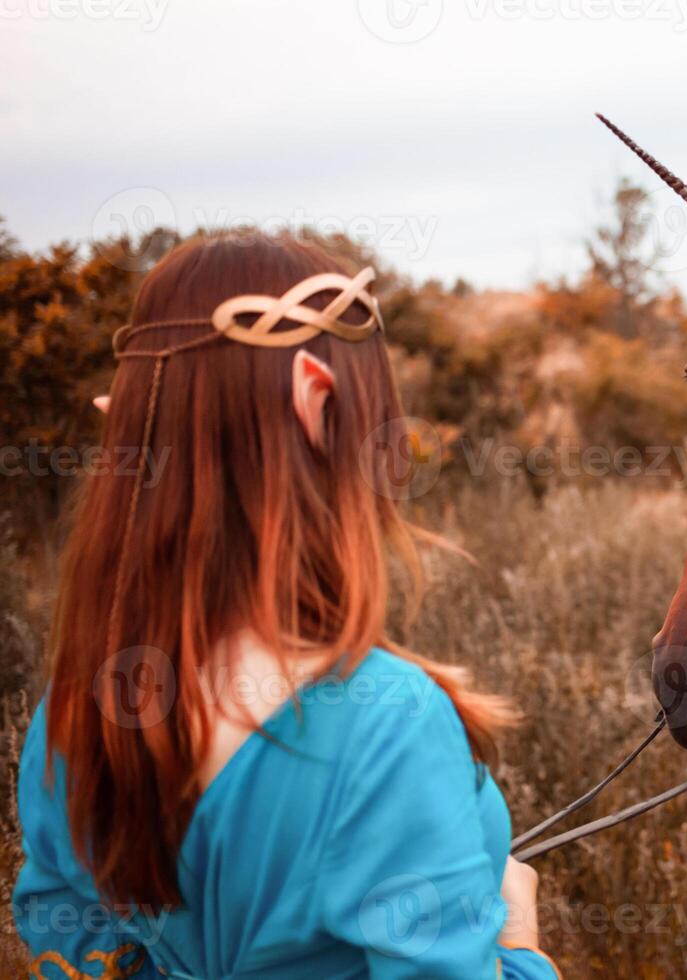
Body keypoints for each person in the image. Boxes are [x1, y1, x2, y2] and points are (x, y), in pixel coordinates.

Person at [12, 234, 560, 978]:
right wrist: (518, 935)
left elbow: (73, 950)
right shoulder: (391, 723)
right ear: (315, 395)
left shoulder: (74, 711)